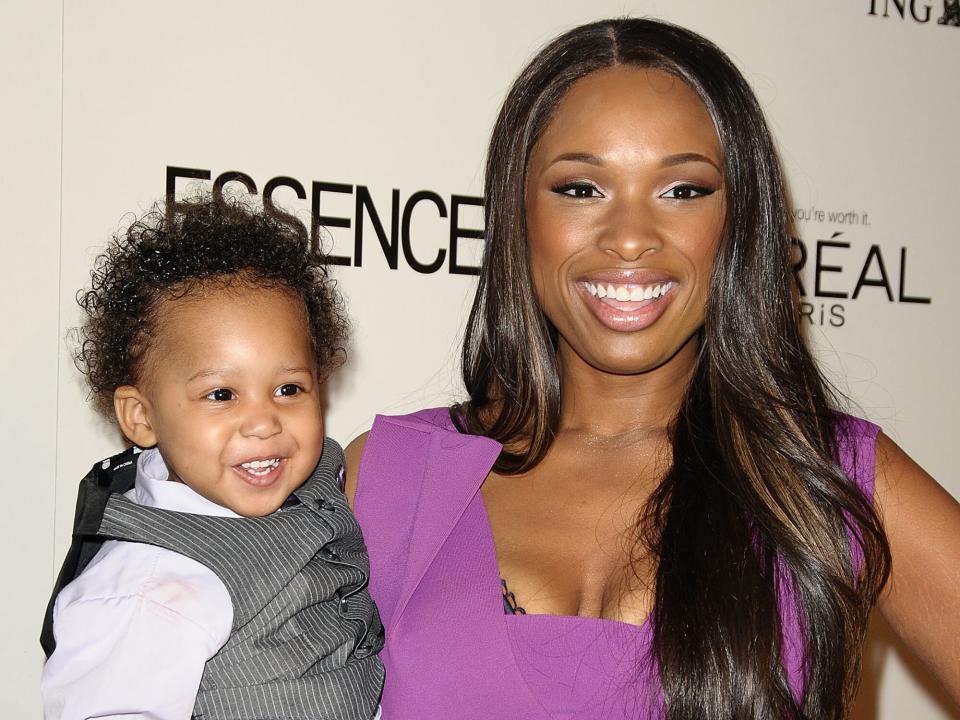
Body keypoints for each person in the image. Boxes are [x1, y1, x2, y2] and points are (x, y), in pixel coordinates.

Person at [344, 17, 960, 719]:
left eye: (683, 191)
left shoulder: (832, 478)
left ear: (739, 221)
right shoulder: (390, 479)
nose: (631, 237)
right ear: (518, 213)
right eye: (580, 189)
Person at [41, 195, 384, 720]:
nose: (265, 421)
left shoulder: (321, 487)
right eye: (221, 395)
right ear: (141, 417)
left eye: (289, 389)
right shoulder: (150, 586)